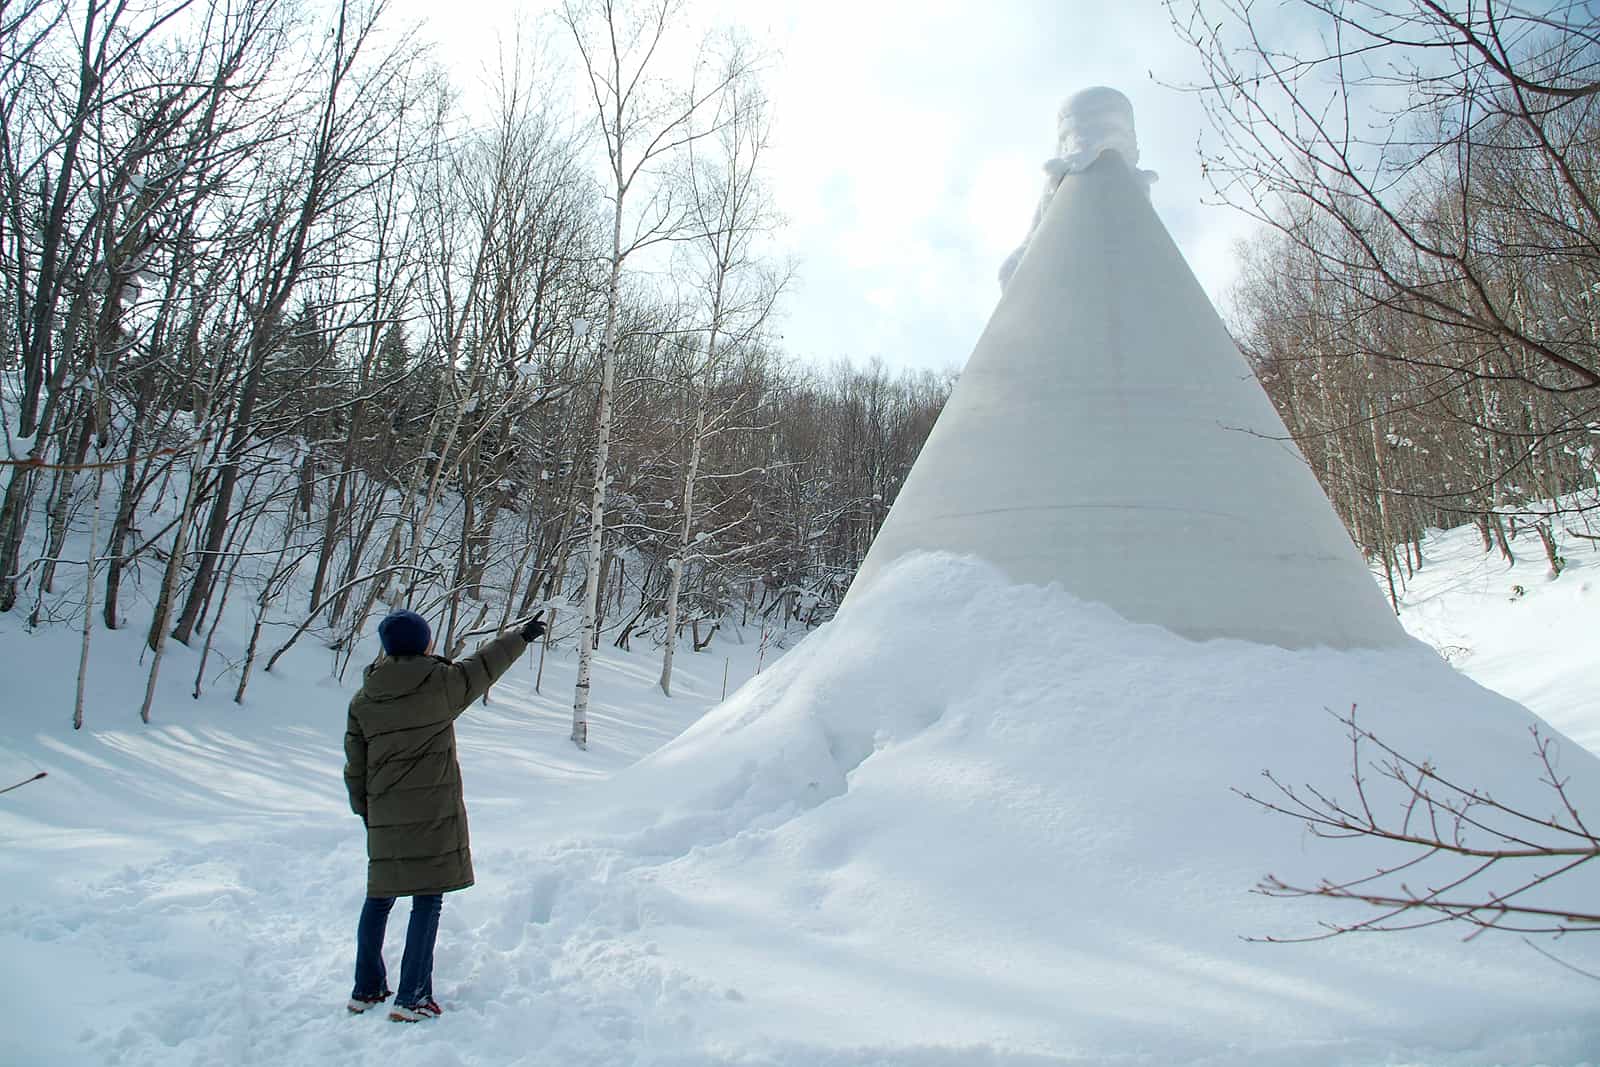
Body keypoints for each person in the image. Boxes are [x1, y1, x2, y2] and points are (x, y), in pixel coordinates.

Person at [343, 607, 546, 1022]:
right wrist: (521, 636)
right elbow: (484, 666)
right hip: (432, 814)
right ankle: (412, 997)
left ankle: (366, 989)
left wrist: (368, 812)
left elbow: (355, 767)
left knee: (379, 898)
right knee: (426, 899)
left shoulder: (364, 698)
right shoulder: (440, 684)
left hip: (383, 814)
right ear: (424, 644)